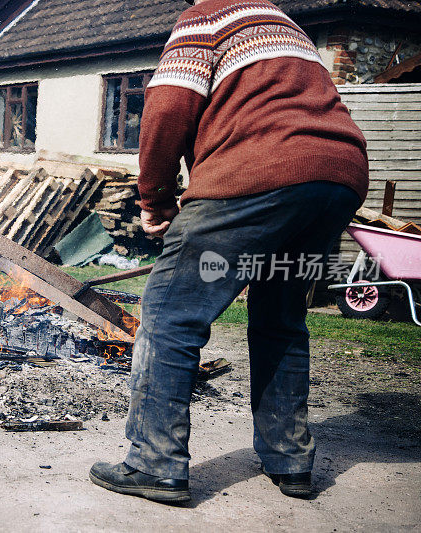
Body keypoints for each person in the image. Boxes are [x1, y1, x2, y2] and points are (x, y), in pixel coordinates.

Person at [89, 0, 368, 503]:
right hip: (336, 182)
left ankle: (155, 463)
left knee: (171, 314)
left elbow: (168, 106)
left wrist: (154, 198)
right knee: (280, 316)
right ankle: (290, 460)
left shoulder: (207, 17)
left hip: (259, 174)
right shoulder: (287, 27)